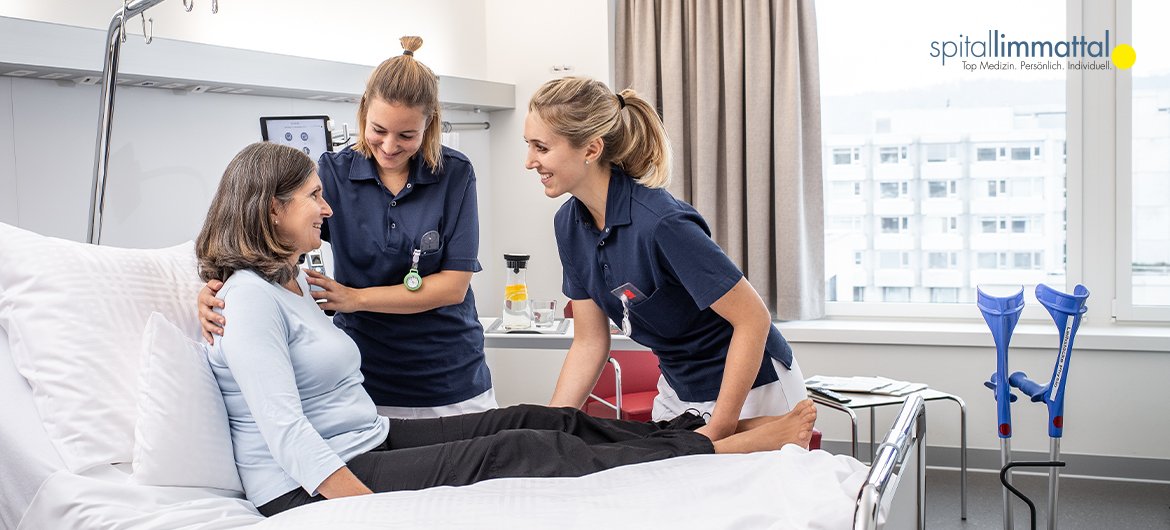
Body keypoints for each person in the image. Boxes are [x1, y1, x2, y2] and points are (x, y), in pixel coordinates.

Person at [195, 141, 818, 516]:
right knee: (518, 450)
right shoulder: (246, 301)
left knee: (533, 419)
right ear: (271, 208)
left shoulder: (296, 283)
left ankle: (691, 434)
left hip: (365, 439)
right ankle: (719, 448)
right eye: (312, 196)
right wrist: (369, 513)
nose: (327, 207)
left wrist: (208, 283)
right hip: (307, 483)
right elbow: (284, 431)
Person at [198, 37, 495, 418]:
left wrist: (355, 298)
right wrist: (218, 289)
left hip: (450, 375)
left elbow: (453, 287)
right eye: (378, 130)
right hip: (363, 376)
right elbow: (270, 241)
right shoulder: (333, 174)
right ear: (363, 112)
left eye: (406, 135)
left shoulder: (454, 173)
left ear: (430, 124)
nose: (389, 146)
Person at [524, 77, 809, 442]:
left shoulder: (660, 223)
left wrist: (719, 428)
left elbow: (753, 318)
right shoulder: (568, 225)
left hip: (751, 390)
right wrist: (550, 429)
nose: (529, 161)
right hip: (677, 388)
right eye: (528, 145)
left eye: (541, 147)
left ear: (591, 149)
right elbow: (589, 342)